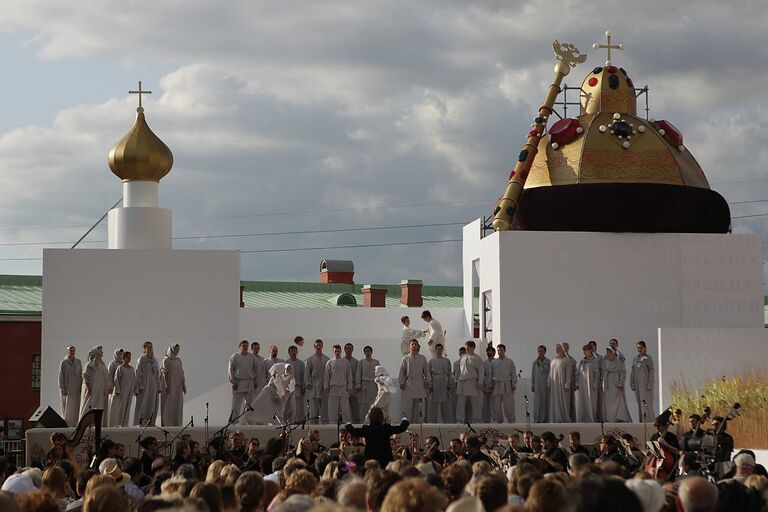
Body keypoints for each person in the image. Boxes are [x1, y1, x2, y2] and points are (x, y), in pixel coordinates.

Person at [398, 339, 431, 422]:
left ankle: (420, 422)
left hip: (420, 384)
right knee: (407, 406)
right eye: (412, 344)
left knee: (420, 407)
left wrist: (428, 381)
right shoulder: (405, 358)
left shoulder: (422, 358)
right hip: (409, 384)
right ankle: (405, 423)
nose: (414, 346)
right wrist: (401, 382)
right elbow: (402, 371)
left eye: (415, 344)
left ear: (417, 346)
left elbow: (426, 371)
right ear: (409, 346)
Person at [228, 340, 258, 424]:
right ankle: (234, 422)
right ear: (240, 346)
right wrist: (233, 382)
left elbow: (256, 370)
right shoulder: (234, 356)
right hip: (238, 383)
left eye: (247, 346)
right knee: (236, 405)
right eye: (244, 346)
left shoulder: (252, 357)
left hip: (249, 382)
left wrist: (256, 382)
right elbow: (231, 370)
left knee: (251, 404)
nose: (245, 347)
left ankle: (251, 422)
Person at [456, 340, 484, 424]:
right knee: (460, 403)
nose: (466, 350)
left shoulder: (477, 358)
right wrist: (455, 380)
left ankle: (476, 420)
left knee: (474, 403)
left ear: (473, 348)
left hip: (472, 382)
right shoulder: (462, 357)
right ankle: (460, 420)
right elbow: (458, 370)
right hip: (461, 382)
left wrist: (480, 382)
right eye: (465, 348)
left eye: (468, 348)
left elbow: (481, 371)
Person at [80, 346, 110, 423]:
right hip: (92, 389)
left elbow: (104, 377)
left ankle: (96, 423)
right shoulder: (89, 365)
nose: (101, 353)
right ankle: (84, 422)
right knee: (89, 405)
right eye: (99, 352)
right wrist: (89, 388)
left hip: (99, 389)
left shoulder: (102, 364)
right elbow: (85, 376)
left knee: (98, 406)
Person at [134, 341, 161, 426]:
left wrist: (158, 386)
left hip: (153, 385)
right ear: (144, 348)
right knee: (143, 404)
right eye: (148, 347)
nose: (150, 349)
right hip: (144, 385)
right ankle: (141, 423)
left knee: (152, 404)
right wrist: (140, 385)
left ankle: (151, 423)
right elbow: (138, 373)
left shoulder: (155, 359)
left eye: (151, 347)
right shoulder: (142, 359)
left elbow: (158, 374)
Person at [325, 344, 353, 424]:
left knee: (345, 409)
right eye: (335, 351)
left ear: (341, 351)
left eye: (338, 351)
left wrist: (349, 387)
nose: (337, 353)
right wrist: (326, 387)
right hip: (333, 388)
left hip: (343, 388)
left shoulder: (345, 362)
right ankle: (332, 426)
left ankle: (347, 426)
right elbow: (326, 376)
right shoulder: (329, 362)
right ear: (333, 352)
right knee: (332, 410)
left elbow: (349, 376)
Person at [602, 347, 632, 422]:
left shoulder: (619, 363)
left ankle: (617, 418)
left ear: (613, 353)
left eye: (609, 352)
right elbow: (602, 373)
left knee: (618, 402)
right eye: (607, 353)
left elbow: (623, 373)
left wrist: (621, 383)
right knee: (607, 404)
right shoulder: (605, 362)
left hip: (616, 386)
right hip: (607, 387)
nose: (608, 354)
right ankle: (609, 419)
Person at [108, 350, 137, 427]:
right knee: (122, 407)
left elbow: (134, 380)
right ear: (124, 358)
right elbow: (116, 379)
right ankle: (120, 423)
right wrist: (117, 390)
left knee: (128, 406)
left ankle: (125, 423)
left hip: (130, 390)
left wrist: (135, 390)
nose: (129, 359)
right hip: (123, 390)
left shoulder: (132, 369)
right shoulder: (120, 368)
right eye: (128, 357)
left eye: (130, 357)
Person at [160, 343, 186, 426]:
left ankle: (177, 423)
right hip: (170, 385)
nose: (177, 351)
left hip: (177, 386)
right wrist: (166, 385)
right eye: (176, 349)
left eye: (178, 349)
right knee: (168, 404)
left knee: (177, 403)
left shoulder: (178, 360)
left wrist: (183, 385)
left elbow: (182, 373)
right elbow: (165, 373)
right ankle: (167, 423)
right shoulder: (166, 360)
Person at [490, 343, 517, 423]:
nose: (500, 352)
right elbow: (491, 374)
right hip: (497, 384)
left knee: (508, 404)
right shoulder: (494, 362)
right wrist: (490, 384)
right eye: (498, 350)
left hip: (507, 384)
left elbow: (513, 373)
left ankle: (511, 420)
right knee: (496, 404)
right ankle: (498, 420)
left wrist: (513, 384)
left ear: (505, 351)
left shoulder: (509, 361)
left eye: (501, 350)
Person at [305, 339, 329, 424]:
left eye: (320, 345)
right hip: (314, 384)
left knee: (324, 407)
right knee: (314, 408)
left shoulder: (327, 359)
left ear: (322, 346)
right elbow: (307, 372)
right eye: (317, 345)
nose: (318, 347)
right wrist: (307, 383)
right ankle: (313, 424)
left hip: (324, 384)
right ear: (314, 346)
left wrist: (328, 385)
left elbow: (329, 373)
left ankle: (325, 423)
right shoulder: (310, 359)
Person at [427, 343, 452, 423]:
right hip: (435, 382)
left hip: (444, 382)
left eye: (440, 349)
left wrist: (449, 383)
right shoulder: (431, 361)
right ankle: (432, 421)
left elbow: (450, 373)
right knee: (433, 404)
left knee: (445, 404)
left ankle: (447, 421)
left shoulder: (447, 360)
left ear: (442, 350)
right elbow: (428, 374)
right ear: (435, 350)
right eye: (437, 349)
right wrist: (430, 384)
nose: (439, 350)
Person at [630, 340, 654, 423]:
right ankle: (641, 419)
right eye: (638, 348)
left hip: (645, 384)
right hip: (637, 384)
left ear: (645, 348)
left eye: (641, 348)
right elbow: (632, 372)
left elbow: (651, 371)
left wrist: (649, 384)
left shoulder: (648, 358)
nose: (639, 349)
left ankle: (648, 420)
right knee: (640, 403)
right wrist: (632, 383)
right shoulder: (635, 359)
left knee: (645, 402)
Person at [59, 345, 83, 427]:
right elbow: (61, 377)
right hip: (67, 391)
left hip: (77, 391)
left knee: (76, 408)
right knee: (68, 410)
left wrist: (81, 388)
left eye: (73, 351)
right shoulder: (64, 363)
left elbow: (80, 376)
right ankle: (68, 425)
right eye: (70, 351)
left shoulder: (78, 362)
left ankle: (76, 425)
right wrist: (63, 389)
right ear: (67, 352)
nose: (72, 352)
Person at [577, 343, 601, 423]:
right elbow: (578, 373)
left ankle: (591, 418)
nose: (584, 352)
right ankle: (583, 418)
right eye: (584, 351)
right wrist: (577, 382)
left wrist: (595, 382)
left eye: (586, 351)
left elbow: (597, 373)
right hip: (582, 384)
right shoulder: (582, 361)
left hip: (591, 385)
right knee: (583, 401)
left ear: (590, 351)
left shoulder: (594, 361)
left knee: (591, 401)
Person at [548, 343, 572, 423]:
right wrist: (549, 381)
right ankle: (555, 417)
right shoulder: (554, 360)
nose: (557, 349)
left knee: (564, 401)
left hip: (562, 385)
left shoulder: (567, 360)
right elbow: (550, 372)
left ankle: (564, 418)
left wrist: (567, 383)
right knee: (555, 401)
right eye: (557, 348)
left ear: (563, 349)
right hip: (554, 385)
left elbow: (569, 373)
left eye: (559, 348)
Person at [356, 346, 380, 421]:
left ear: (371, 352)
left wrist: (380, 385)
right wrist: (358, 385)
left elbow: (379, 374)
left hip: (373, 384)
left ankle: (373, 420)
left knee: (373, 402)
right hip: (364, 384)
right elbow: (358, 374)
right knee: (363, 404)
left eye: (369, 351)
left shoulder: (376, 362)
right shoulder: (361, 362)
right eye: (366, 351)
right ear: (364, 353)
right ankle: (362, 420)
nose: (367, 353)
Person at [285, 345, 305, 423]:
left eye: (295, 351)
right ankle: (289, 422)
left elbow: (303, 375)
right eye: (292, 351)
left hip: (298, 388)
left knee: (299, 407)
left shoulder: (301, 363)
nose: (293, 352)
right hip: (288, 388)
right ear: (289, 352)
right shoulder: (286, 363)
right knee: (289, 407)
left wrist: (303, 386)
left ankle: (299, 422)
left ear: (297, 352)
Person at [531, 345, 550, 422]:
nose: (540, 353)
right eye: (539, 351)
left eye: (542, 351)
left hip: (545, 385)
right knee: (538, 402)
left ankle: (545, 419)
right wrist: (533, 384)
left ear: (545, 352)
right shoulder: (535, 362)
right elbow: (533, 374)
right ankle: (537, 419)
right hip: (537, 385)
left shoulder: (548, 362)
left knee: (545, 401)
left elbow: (550, 374)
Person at [343, 343, 360, 422]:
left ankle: (355, 422)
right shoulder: (341, 361)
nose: (349, 350)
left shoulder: (356, 362)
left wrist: (357, 386)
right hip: (344, 387)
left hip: (353, 387)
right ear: (344, 350)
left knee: (354, 406)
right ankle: (347, 422)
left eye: (350, 348)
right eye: (347, 348)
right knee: (345, 406)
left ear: (352, 350)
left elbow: (358, 375)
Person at [562, 342, 578, 421]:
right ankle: (562, 417)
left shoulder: (571, 360)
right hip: (559, 384)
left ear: (567, 349)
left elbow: (575, 372)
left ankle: (569, 418)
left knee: (569, 402)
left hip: (569, 384)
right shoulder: (557, 360)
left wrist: (575, 383)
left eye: (565, 348)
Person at [481, 346, 495, 422]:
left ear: (494, 353)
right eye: (487, 351)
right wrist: (483, 386)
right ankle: (485, 420)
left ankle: (495, 420)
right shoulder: (484, 363)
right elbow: (483, 375)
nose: (488, 352)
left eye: (490, 351)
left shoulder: (496, 362)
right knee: (486, 405)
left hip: (495, 387)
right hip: (486, 387)